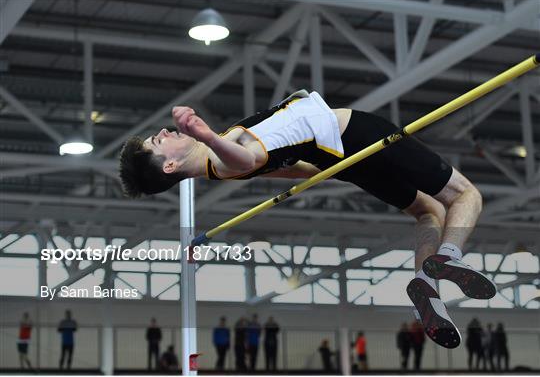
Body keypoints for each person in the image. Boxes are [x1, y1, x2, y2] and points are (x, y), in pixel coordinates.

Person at [119, 90, 495, 349]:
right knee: (466, 195)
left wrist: (298, 119)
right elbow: (244, 158)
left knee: (427, 211)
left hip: (338, 159)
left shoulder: (222, 166)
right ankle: (447, 257)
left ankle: (425, 289)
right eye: (158, 141)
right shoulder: (221, 157)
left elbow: (293, 168)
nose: (164, 133)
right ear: (170, 165)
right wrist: (203, 132)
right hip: (357, 133)